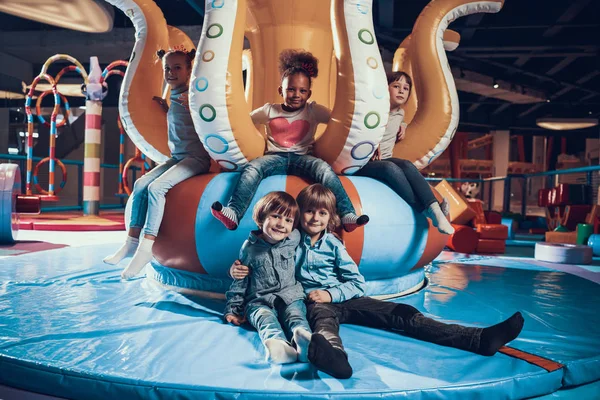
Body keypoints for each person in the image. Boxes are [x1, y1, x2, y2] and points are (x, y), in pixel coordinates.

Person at [231, 184, 525, 379]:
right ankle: (337, 360)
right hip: (314, 305)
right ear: (298, 216)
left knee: (404, 315)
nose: (315, 218)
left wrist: (332, 293)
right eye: (309, 211)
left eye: (322, 213)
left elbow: (357, 283)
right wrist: (239, 272)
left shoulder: (334, 244)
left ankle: (478, 340)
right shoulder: (288, 241)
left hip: (343, 297)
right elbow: (261, 251)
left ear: (331, 217)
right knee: (323, 327)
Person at [211, 49, 368, 233]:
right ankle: (234, 212)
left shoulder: (313, 111)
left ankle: (347, 214)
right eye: (291, 89)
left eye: (302, 91)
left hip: (303, 158)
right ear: (281, 90)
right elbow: (243, 123)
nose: (296, 95)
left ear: (309, 94)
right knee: (253, 168)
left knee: (324, 169)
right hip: (275, 157)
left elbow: (340, 121)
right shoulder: (270, 110)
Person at [103, 48, 211, 279]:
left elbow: (201, 114)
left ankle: (146, 247)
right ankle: (131, 242)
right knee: (141, 184)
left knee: (156, 188)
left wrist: (193, 102)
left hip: (196, 159)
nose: (171, 73)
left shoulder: (192, 96)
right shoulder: (176, 96)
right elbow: (180, 120)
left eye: (177, 68)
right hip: (179, 156)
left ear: (189, 70)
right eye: (167, 69)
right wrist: (166, 108)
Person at [355, 71, 455, 234]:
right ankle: (426, 211)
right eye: (396, 86)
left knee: (406, 165)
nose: (401, 91)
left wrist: (404, 125)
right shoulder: (374, 110)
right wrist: (371, 142)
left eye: (406, 88)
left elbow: (399, 120)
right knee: (390, 168)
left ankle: (436, 212)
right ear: (385, 88)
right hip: (363, 163)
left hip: (385, 159)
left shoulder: (400, 113)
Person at [224, 191, 313, 365]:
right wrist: (232, 309)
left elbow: (310, 225)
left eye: (288, 220)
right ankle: (279, 347)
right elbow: (240, 281)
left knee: (296, 316)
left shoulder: (293, 237)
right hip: (259, 301)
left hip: (290, 296)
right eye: (276, 217)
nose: (281, 224)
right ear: (261, 218)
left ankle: (304, 344)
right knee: (265, 320)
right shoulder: (249, 249)